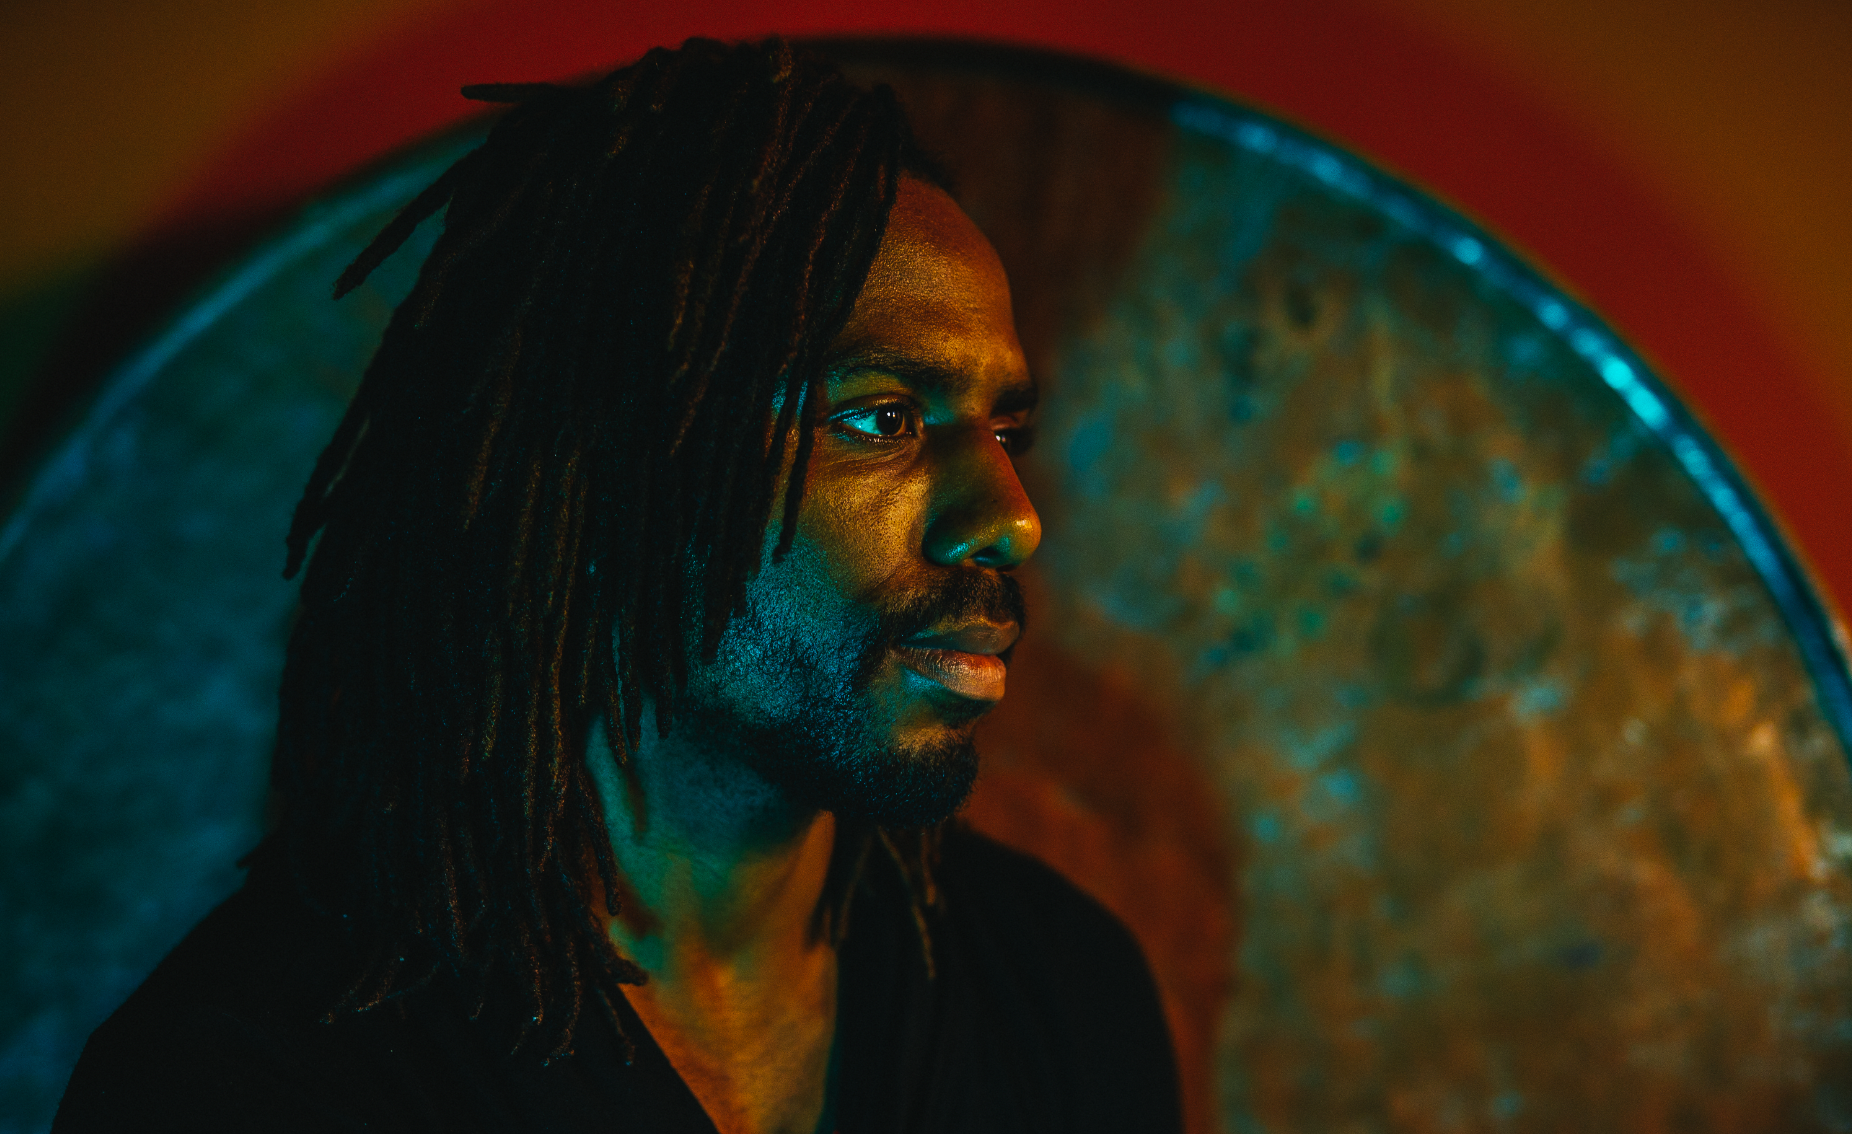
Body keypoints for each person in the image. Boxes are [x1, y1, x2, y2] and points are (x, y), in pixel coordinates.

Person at [54, 37, 1181, 1134]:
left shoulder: (1055, 990)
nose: (1011, 520)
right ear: (606, 465)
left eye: (1005, 429)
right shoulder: (250, 1083)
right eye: (881, 419)